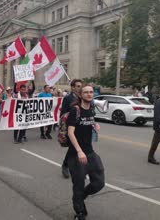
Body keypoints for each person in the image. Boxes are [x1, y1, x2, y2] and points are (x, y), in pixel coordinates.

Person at [67, 84, 105, 220]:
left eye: (91, 92)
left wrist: (95, 125)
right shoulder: (75, 110)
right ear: (81, 95)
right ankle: (79, 212)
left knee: (99, 182)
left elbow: (89, 122)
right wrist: (79, 151)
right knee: (78, 184)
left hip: (90, 152)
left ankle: (80, 197)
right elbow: (70, 132)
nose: (89, 94)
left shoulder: (92, 109)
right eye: (86, 92)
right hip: (76, 155)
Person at [61, 79, 83, 179]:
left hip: (82, 126)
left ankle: (77, 167)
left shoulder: (82, 97)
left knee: (81, 147)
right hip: (72, 127)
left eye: (81, 86)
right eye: (78, 86)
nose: (80, 88)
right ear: (73, 87)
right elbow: (63, 114)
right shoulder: (68, 98)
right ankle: (65, 165)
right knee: (73, 148)